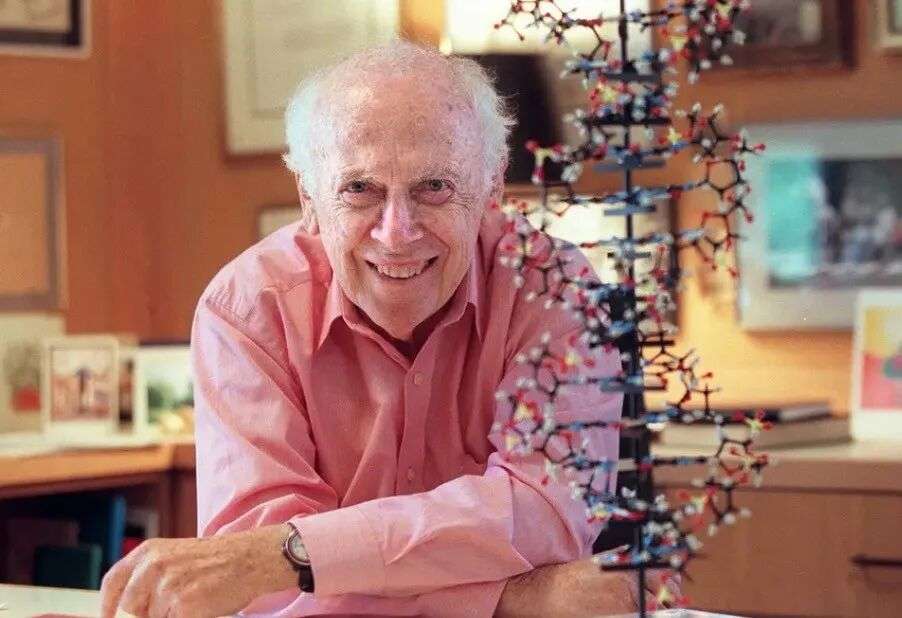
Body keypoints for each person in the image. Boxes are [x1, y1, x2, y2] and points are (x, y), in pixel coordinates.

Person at [100, 41, 678, 617]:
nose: (397, 234)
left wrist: (298, 555)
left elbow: (544, 514)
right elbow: (264, 586)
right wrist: (513, 597)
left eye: (434, 187)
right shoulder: (248, 310)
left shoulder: (555, 289)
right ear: (308, 198)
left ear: (492, 189)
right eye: (359, 189)